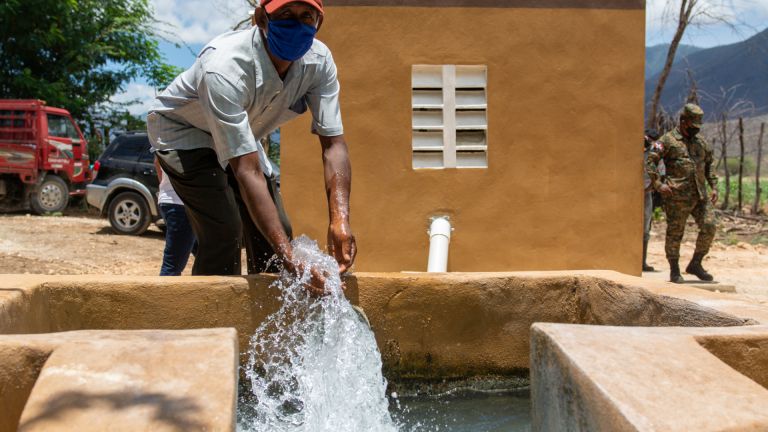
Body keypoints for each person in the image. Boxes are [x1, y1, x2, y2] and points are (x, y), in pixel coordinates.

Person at [146, 0, 355, 294]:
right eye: (285, 15)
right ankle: (213, 322)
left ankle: (267, 326)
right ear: (261, 18)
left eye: (306, 16)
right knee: (224, 230)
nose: (296, 25)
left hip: (243, 136)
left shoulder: (318, 63)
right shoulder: (224, 66)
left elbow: (334, 146)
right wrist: (290, 258)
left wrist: (340, 219)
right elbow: (247, 170)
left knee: (277, 231)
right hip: (184, 134)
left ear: (319, 22)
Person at [645, 104, 718, 283]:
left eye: (697, 126)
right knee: (675, 233)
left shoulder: (701, 142)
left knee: (709, 226)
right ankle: (675, 269)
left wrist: (714, 186)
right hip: (676, 196)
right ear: (683, 121)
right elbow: (650, 160)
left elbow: (709, 164)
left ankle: (695, 264)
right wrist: (657, 183)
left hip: (700, 195)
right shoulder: (667, 140)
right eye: (692, 126)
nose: (695, 129)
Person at [154, 158, 197, 276]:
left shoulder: (163, 139)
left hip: (171, 201)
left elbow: (157, 161)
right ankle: (162, 294)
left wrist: (165, 188)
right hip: (181, 204)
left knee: (207, 256)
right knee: (172, 268)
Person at [642, 128, 661, 272]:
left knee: (645, 227)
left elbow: (661, 173)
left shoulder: (654, 155)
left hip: (646, 193)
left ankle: (642, 262)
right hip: (630, 194)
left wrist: (651, 187)